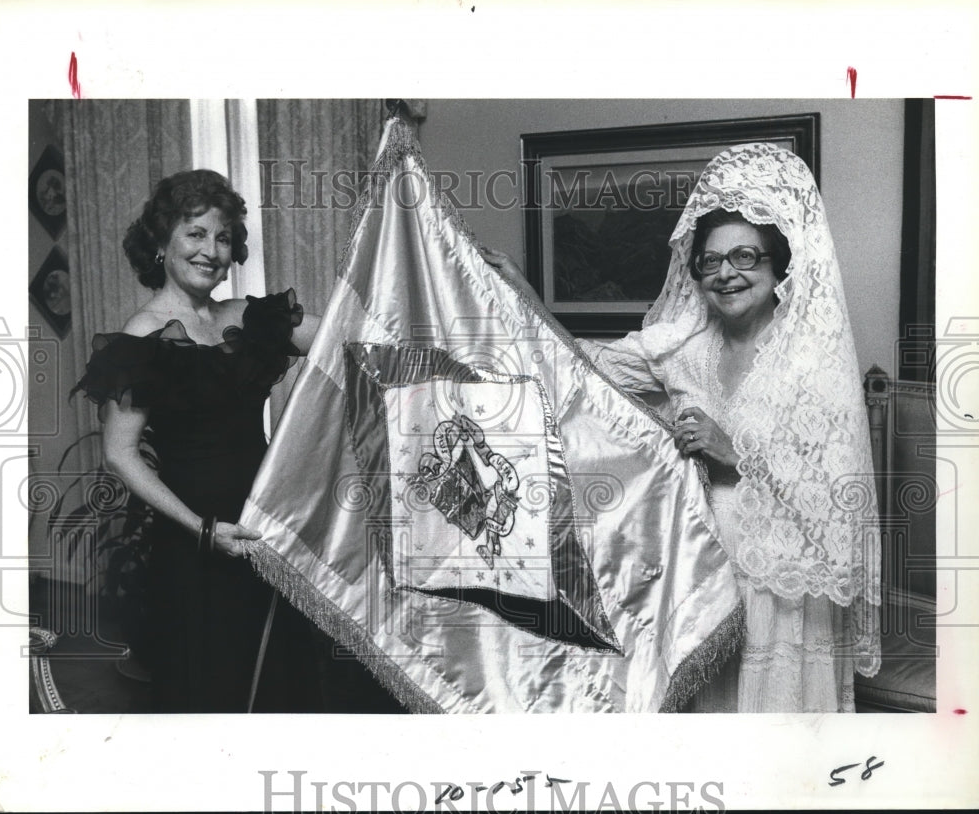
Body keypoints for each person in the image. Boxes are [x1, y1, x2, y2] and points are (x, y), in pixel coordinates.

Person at [482, 142, 880, 712]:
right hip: (697, 585)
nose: (726, 274)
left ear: (779, 265)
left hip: (781, 596)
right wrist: (521, 293)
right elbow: (578, 367)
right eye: (711, 261)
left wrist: (734, 457)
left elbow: (838, 511)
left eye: (745, 257)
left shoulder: (810, 364)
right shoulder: (681, 346)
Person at [73, 169, 401, 713]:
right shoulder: (141, 339)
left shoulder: (251, 320)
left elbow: (352, 341)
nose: (212, 250)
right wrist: (202, 530)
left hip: (265, 531)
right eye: (196, 234)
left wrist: (412, 267)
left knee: (281, 687)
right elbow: (119, 453)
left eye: (223, 237)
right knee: (213, 692)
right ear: (162, 243)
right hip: (195, 546)